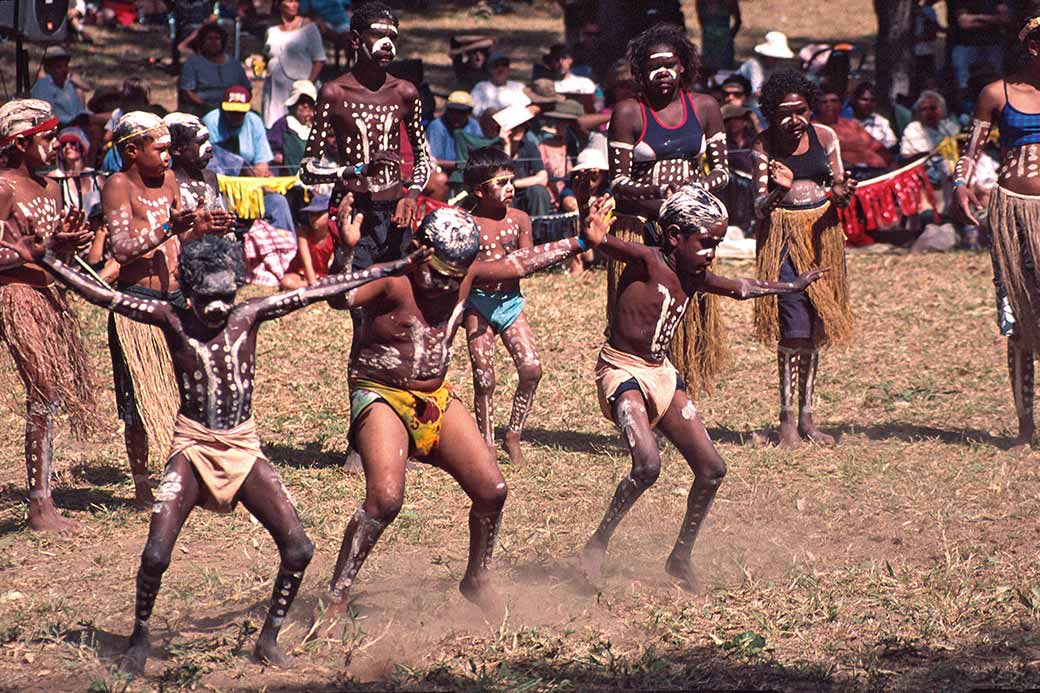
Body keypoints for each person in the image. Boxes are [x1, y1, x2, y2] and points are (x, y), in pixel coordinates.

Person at [2, 231, 425, 672]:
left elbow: (319, 289)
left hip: (242, 446)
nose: (218, 307)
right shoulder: (171, 318)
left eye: (226, 295)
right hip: (193, 446)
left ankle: (269, 640)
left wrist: (398, 266)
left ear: (238, 285)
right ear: (188, 290)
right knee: (155, 554)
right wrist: (46, 260)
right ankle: (139, 638)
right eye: (207, 298)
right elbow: (102, 296)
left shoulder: (252, 314)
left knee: (298, 548)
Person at [325, 198, 614, 618]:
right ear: (421, 251)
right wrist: (347, 251)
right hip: (382, 394)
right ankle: (338, 594)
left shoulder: (468, 276)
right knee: (385, 499)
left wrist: (579, 241)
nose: (445, 286)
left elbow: (520, 263)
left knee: (492, 490)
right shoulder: (394, 282)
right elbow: (340, 297)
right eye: (439, 274)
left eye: (455, 277)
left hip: (437, 397)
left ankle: (476, 579)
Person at [579, 185, 824, 587]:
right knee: (648, 466)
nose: (712, 252)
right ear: (675, 236)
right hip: (622, 372)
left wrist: (790, 287)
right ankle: (597, 546)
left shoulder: (694, 275)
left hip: (661, 374)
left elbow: (742, 288)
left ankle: (680, 557)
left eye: (717, 243)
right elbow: (600, 243)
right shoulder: (649, 260)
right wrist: (594, 226)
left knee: (712, 469)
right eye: (706, 242)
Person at [105, 111, 234, 508]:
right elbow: (122, 249)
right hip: (138, 306)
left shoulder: (171, 181)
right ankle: (143, 485)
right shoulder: (118, 185)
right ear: (131, 151)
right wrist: (167, 229)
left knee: (190, 390)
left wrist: (204, 227)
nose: (166, 157)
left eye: (167, 149)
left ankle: (189, 478)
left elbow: (181, 236)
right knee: (138, 402)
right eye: (159, 150)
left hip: (177, 300)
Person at [607, 23, 730, 396]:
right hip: (641, 228)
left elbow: (723, 172)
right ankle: (641, 394)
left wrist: (691, 193)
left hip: (690, 235)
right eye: (653, 67)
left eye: (670, 65)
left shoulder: (705, 107)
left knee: (687, 317)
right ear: (640, 72)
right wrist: (660, 192)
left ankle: (680, 398)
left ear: (683, 67)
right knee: (642, 321)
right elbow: (617, 182)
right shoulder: (629, 112)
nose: (662, 74)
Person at [0, 99, 97, 533]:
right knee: (43, 390)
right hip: (16, 294)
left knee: (48, 394)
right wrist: (29, 253)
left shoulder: (50, 188)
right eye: (45, 138)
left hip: (48, 295)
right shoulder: (3, 188)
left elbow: (53, 252)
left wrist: (71, 243)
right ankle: (39, 507)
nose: (55, 145)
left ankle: (44, 499)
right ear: (20, 144)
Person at [751, 70, 857, 448]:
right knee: (790, 329)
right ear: (770, 113)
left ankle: (808, 418)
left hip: (822, 237)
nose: (794, 121)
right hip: (782, 240)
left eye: (801, 112)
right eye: (784, 112)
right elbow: (758, 208)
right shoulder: (763, 145)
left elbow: (838, 188)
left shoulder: (825, 137)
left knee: (813, 329)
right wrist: (778, 192)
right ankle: (786, 421)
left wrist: (843, 194)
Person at [954, 15, 1040, 451]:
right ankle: (1026, 427)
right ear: (1034, 49)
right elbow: (970, 152)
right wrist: (960, 186)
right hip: (1012, 213)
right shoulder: (998, 94)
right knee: (1021, 319)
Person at [298, 1, 432, 271]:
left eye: (393, 37)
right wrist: (358, 170)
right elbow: (307, 170)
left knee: (399, 293)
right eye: (378, 35)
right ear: (356, 40)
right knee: (355, 297)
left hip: (396, 212)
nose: (387, 44)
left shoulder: (405, 93)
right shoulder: (334, 93)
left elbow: (423, 159)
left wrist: (412, 194)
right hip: (354, 209)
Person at [461, 148, 542, 464]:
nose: (511, 188)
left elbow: (528, 261)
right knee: (484, 377)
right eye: (502, 182)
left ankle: (513, 434)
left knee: (532, 368)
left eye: (512, 180)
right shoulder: (467, 223)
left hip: (510, 303)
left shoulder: (519, 219)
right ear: (479, 190)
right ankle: (486, 443)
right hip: (477, 305)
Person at [203, 86, 295, 233]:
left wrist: (256, 181)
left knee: (278, 202)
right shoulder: (211, 121)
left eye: (240, 112)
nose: (235, 115)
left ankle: (288, 248)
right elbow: (209, 165)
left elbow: (262, 166)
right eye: (231, 111)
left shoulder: (254, 122)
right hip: (222, 190)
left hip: (252, 189)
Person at [262, 0, 326, 128]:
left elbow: (319, 59)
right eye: (290, 1)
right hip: (275, 90)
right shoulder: (272, 30)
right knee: (274, 127)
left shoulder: (309, 28)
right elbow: (267, 56)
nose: (295, 5)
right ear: (279, 4)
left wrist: (307, 87)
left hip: (299, 88)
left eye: (296, 1)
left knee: (300, 126)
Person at [179, 23, 252, 118]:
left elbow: (247, 89)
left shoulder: (235, 64)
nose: (213, 42)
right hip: (202, 108)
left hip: (233, 107)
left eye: (217, 38)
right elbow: (187, 92)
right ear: (202, 41)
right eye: (209, 38)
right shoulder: (193, 63)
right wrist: (205, 106)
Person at [164, 112, 229, 219]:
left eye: (208, 140)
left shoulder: (210, 177)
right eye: (201, 142)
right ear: (176, 149)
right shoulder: (167, 183)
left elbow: (219, 213)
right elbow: (166, 227)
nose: (209, 147)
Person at [494, 104, 553, 217]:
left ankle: (539, 231)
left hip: (525, 193)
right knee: (506, 195)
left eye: (522, 126)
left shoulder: (529, 146)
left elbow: (542, 178)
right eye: (514, 127)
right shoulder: (495, 149)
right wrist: (506, 145)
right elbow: (504, 178)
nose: (519, 130)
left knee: (538, 191)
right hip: (503, 195)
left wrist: (516, 184)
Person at [815, 90, 892, 174]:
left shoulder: (851, 124)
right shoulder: (815, 128)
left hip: (879, 169)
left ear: (840, 105)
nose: (829, 105)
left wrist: (893, 165)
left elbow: (878, 147)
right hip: (852, 174)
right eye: (824, 102)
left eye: (834, 101)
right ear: (816, 106)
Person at [949, 0, 1011, 88]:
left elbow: (1005, 19)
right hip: (966, 45)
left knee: (996, 82)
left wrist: (976, 18)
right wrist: (990, 20)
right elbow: (963, 23)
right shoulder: (961, 2)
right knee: (964, 84)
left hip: (992, 45)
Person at [280, 193, 336, 288]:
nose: (314, 218)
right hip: (303, 273)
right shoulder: (303, 233)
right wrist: (313, 283)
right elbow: (307, 263)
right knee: (287, 282)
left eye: (319, 214)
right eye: (311, 214)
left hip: (325, 275)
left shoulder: (334, 234)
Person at [30, 47, 91, 128]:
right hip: (61, 127)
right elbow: (47, 115)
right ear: (48, 69)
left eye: (66, 66)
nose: (64, 70)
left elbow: (87, 89)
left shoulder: (68, 85)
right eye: (59, 67)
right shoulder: (44, 85)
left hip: (76, 123)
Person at [426, 91, 483, 174]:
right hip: (444, 171)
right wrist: (460, 165)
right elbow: (435, 160)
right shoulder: (437, 126)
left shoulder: (473, 125)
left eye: (461, 112)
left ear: (469, 112)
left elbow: (480, 152)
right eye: (452, 111)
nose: (456, 116)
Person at [267, 79, 317, 171]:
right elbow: (269, 153)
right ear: (294, 105)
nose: (310, 113)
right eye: (305, 107)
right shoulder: (283, 126)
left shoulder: (315, 127)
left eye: (312, 107)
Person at [50, 126, 103, 212]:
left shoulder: (95, 177)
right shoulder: (55, 176)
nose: (67, 147)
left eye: (73, 143)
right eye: (63, 144)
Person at [471, 52, 532, 117]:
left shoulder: (518, 86)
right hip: (492, 124)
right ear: (489, 69)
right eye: (496, 66)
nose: (500, 69)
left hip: (517, 122)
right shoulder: (481, 87)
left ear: (508, 68)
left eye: (504, 65)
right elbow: (475, 112)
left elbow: (527, 107)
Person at [738, 31, 793, 96]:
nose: (776, 60)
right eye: (773, 57)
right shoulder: (755, 65)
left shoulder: (777, 66)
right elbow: (756, 92)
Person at [849, 82, 897, 151]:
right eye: (864, 99)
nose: (868, 104)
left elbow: (891, 142)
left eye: (872, 100)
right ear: (855, 100)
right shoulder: (846, 119)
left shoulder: (881, 122)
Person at [696, 0, 741, 72]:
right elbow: (700, 19)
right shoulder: (701, 1)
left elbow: (738, 21)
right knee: (708, 70)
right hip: (708, 43)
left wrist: (729, 37)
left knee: (724, 72)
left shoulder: (730, 2)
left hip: (724, 44)